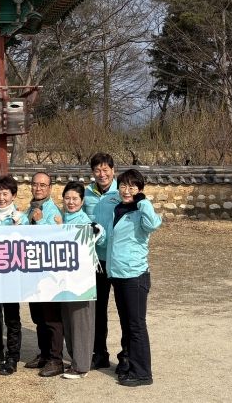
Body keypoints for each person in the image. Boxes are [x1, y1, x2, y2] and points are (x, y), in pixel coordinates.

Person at [95, 169, 161, 387]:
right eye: (123, 185)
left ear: (140, 189)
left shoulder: (141, 211)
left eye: (132, 186)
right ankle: (129, 365)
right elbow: (111, 240)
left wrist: (143, 202)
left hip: (135, 275)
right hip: (118, 274)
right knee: (126, 323)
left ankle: (142, 373)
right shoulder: (118, 209)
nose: (126, 190)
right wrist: (98, 233)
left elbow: (153, 224)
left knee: (136, 325)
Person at [0, 175, 29, 376]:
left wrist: (20, 228)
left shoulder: (21, 218)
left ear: (13, 195)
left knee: (12, 316)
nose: (1, 198)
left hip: (12, 274)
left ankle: (12, 356)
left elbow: (28, 244)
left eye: (5, 194)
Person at [23, 172, 65, 377]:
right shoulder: (31, 208)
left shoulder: (53, 211)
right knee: (38, 316)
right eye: (35, 184)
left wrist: (39, 223)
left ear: (50, 188)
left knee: (51, 317)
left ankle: (56, 360)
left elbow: (54, 240)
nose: (38, 188)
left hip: (49, 273)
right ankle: (45, 354)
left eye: (43, 185)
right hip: (33, 271)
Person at [56, 181, 100, 379]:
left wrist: (95, 231)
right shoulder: (61, 217)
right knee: (68, 320)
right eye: (67, 198)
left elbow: (99, 235)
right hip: (63, 279)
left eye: (75, 198)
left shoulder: (85, 221)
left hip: (82, 280)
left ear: (82, 201)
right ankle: (75, 359)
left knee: (81, 320)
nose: (71, 202)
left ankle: (81, 365)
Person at [83, 152, 122, 371]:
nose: (102, 174)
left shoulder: (122, 192)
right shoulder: (86, 193)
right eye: (97, 170)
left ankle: (126, 354)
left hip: (117, 258)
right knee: (98, 309)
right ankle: (100, 353)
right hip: (95, 260)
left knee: (125, 309)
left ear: (113, 170)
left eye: (105, 169)